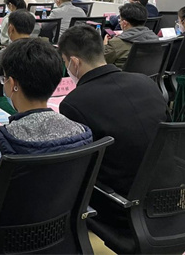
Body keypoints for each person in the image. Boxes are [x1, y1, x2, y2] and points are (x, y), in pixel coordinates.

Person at [0, 38, 93, 229]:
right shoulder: (81, 133)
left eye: (4, 79)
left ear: (12, 84)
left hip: (2, 242)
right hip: (58, 235)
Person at [58, 25, 168, 229]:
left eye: (65, 62)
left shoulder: (74, 103)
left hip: (119, 205)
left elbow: (77, 168)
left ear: (74, 62)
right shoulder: (146, 82)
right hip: (168, 194)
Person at [104, 3, 159, 68]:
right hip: (149, 74)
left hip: (122, 74)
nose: (119, 23)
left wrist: (105, 45)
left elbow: (100, 63)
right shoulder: (155, 39)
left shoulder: (115, 43)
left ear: (124, 23)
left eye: (120, 20)